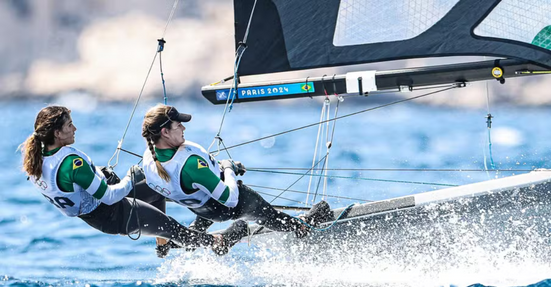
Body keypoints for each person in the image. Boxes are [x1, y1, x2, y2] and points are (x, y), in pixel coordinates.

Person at [20, 105, 246, 257]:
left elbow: (71, 188)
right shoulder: (72, 163)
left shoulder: (36, 160)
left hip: (99, 211)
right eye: (70, 125)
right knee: (174, 229)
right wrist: (131, 177)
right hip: (113, 213)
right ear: (57, 133)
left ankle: (163, 243)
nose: (75, 128)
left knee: (159, 184)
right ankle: (218, 243)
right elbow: (108, 197)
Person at [140, 104, 333, 254]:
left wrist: (161, 238)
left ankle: (188, 240)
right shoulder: (190, 165)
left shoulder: (149, 160)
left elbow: (156, 196)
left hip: (205, 209)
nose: (183, 127)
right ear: (165, 132)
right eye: (178, 125)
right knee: (271, 217)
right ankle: (303, 225)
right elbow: (230, 199)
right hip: (231, 205)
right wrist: (228, 168)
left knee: (208, 209)